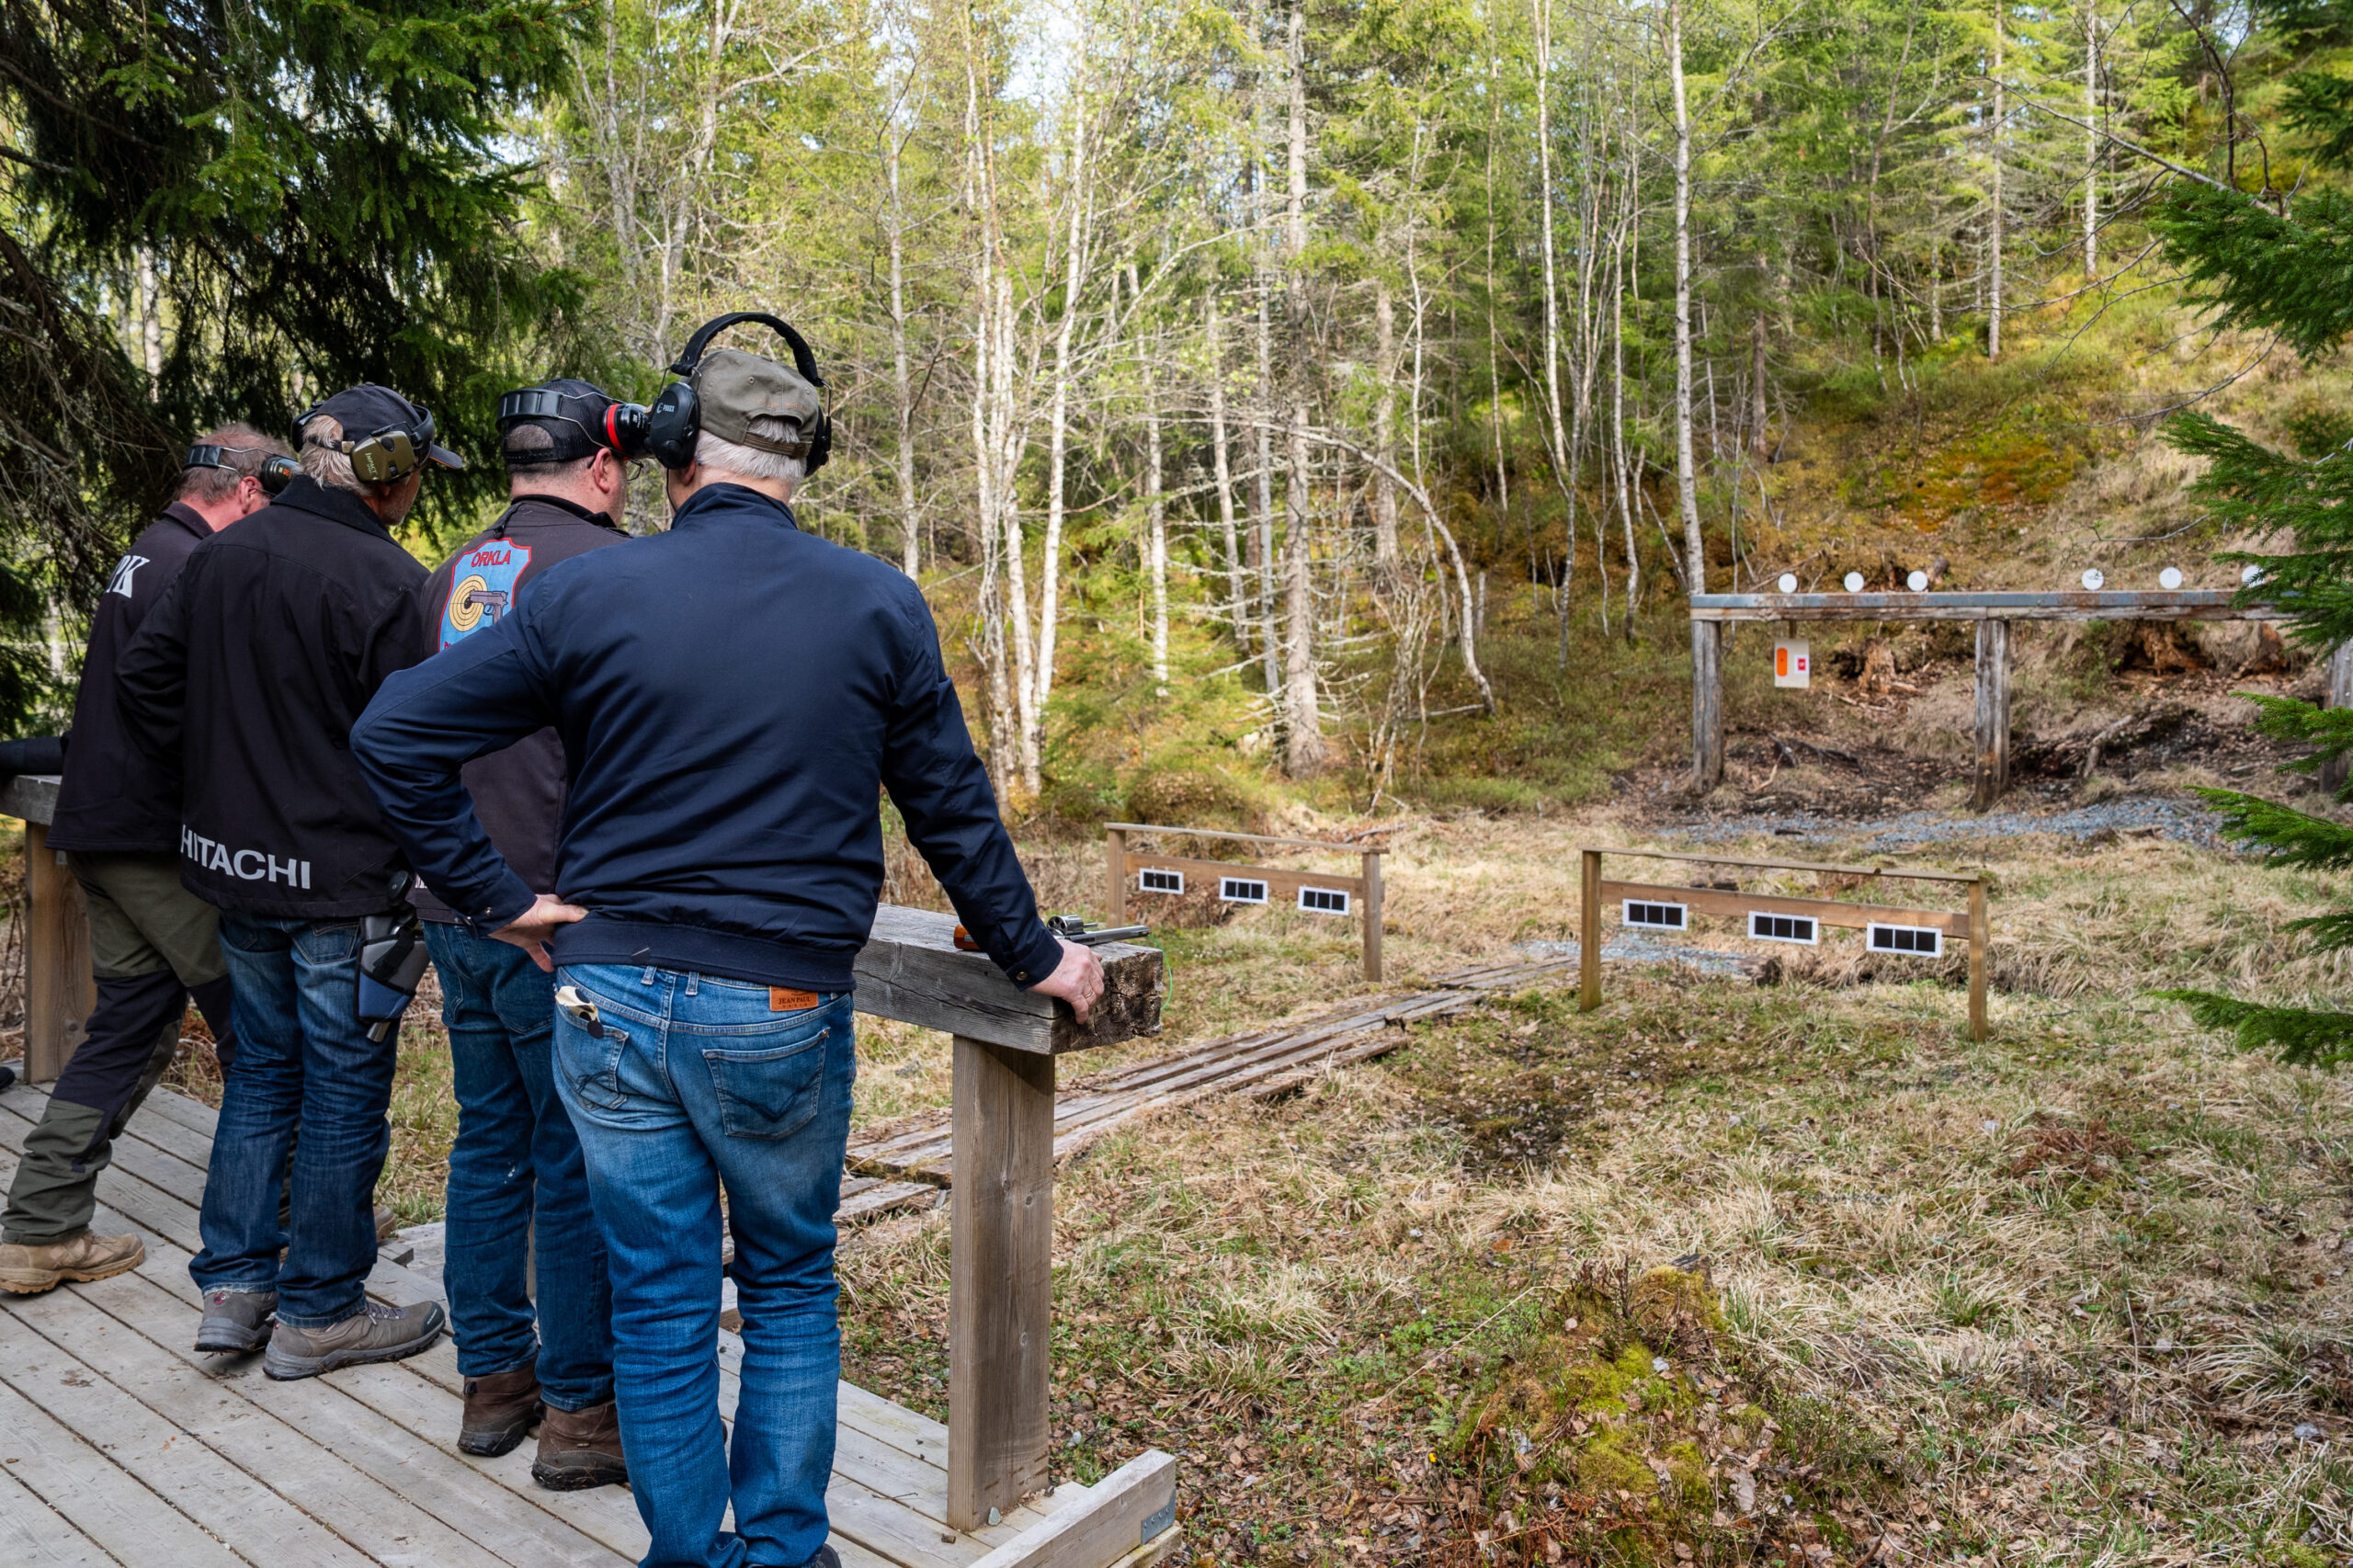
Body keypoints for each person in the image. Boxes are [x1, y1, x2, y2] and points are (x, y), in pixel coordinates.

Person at [351, 318, 1104, 1568]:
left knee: (658, 1296)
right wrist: (1036, 955)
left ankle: (688, 1556)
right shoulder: (874, 600)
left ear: (668, 453)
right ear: (800, 463)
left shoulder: (589, 587)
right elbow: (953, 810)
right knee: (792, 1282)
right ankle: (786, 1549)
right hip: (776, 1005)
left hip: (599, 999)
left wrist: (499, 899)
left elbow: (396, 734)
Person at [117, 386, 455, 1375]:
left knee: (262, 1075)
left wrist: (219, 784)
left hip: (234, 875)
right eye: (412, 475)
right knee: (345, 1088)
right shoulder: (393, 583)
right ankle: (320, 1306)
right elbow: (425, 743)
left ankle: (235, 1288)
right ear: (385, 470)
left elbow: (145, 687)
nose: (412, 496)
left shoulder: (219, 556)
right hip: (344, 887)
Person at [410, 380, 630, 1486]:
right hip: (556, 911)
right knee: (574, 1156)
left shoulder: (460, 570)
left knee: (487, 1141)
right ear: (603, 466)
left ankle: (494, 1380)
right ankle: (583, 1411)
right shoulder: (603, 568)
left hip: (460, 901)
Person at [0, 430, 279, 1296]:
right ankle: (310, 1217)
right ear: (243, 492)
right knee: (262, 1027)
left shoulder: (147, 553)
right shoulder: (190, 567)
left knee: (129, 1024)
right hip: (154, 844)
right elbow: (179, 712)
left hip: (98, 831)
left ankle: (38, 1228)